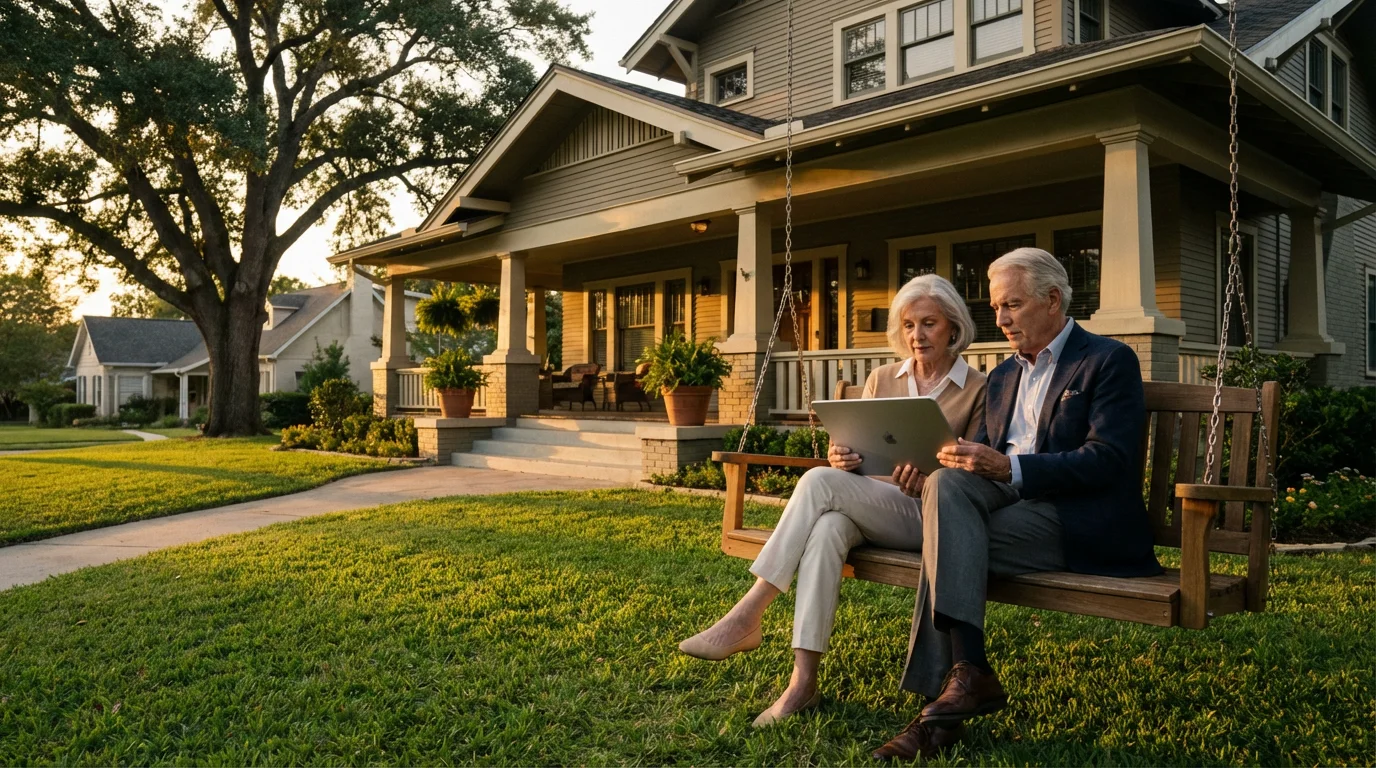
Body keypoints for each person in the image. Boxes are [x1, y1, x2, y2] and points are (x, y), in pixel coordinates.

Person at [871, 248, 1163, 762]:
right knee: (946, 486)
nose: (1001, 319)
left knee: (947, 545)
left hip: (1074, 514)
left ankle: (937, 710)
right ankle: (970, 674)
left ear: (1052, 301)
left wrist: (1010, 469)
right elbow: (976, 457)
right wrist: (939, 464)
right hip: (1005, 502)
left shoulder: (1106, 360)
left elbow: (1110, 460)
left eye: (1013, 305)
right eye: (996, 307)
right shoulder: (1003, 375)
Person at [677, 274, 988, 728]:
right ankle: (802, 683)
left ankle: (751, 610)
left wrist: (928, 479)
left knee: (820, 484)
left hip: (932, 517)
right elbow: (856, 449)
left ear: (953, 327)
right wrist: (842, 456)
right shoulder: (883, 377)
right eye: (908, 325)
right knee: (825, 528)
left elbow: (974, 471)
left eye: (929, 324)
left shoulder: (978, 388)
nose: (917, 336)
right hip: (870, 502)